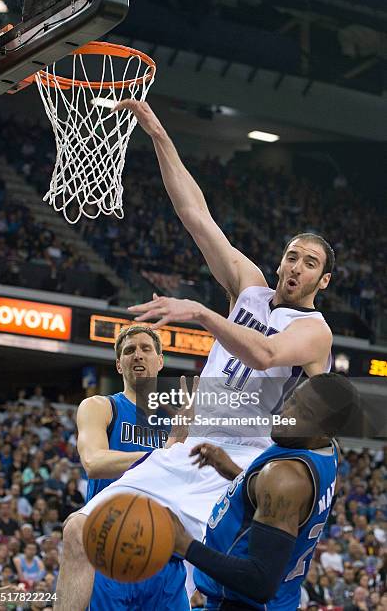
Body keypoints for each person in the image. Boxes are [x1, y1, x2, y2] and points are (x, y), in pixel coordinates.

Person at [56, 101, 335, 611]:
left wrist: (202, 313)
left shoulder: (314, 331)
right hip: (186, 451)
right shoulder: (249, 288)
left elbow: (266, 352)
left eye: (309, 263)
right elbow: (195, 215)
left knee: (201, 583)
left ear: (323, 280)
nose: (296, 266)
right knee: (79, 530)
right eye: (292, 255)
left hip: (241, 465)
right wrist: (159, 133)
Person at [170, 374, 359, 610]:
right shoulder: (328, 451)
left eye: (304, 414)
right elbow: (286, 504)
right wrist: (237, 473)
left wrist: (184, 544)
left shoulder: (285, 478)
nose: (287, 414)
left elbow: (259, 583)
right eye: (293, 399)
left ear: (323, 431)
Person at [56, 325, 197, 611]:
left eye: (146, 349)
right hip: (112, 551)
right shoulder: (100, 406)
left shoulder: (181, 421)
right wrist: (165, 455)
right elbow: (94, 462)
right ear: (119, 365)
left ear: (160, 361)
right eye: (129, 351)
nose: (138, 355)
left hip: (166, 558)